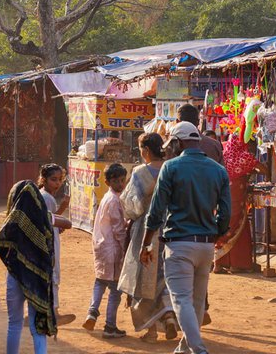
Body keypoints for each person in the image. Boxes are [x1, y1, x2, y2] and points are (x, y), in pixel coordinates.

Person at [140, 121, 230, 354]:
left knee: (181, 299)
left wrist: (146, 243)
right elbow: (225, 213)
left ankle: (198, 349)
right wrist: (217, 234)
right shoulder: (218, 170)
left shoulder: (171, 168)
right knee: (197, 301)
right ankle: (184, 347)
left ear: (178, 142)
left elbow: (156, 211)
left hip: (179, 243)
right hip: (206, 244)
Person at [0, 180, 70, 354]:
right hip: (37, 278)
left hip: (15, 276)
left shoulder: (11, 221)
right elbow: (67, 223)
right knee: (38, 327)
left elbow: (0, 243)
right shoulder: (43, 217)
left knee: (14, 324)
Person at [118, 133, 179, 343]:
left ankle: (151, 331)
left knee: (143, 280)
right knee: (166, 278)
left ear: (145, 151)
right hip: (171, 230)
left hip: (146, 232)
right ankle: (169, 315)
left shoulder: (139, 173)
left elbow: (131, 207)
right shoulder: (172, 169)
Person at [83, 163, 127, 339]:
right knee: (115, 289)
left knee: (100, 282)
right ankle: (110, 325)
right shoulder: (115, 200)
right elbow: (119, 230)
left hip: (101, 247)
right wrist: (126, 249)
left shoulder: (107, 198)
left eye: (122, 180)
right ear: (108, 181)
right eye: (116, 181)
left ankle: (92, 312)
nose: (120, 184)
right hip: (113, 249)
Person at [216, 133, 265, 273]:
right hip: (236, 196)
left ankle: (219, 263)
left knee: (223, 227)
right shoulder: (244, 157)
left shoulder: (223, 153)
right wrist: (252, 169)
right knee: (237, 228)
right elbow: (265, 171)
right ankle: (238, 264)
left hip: (221, 196)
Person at [37, 164, 76, 325]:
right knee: (52, 275)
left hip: (48, 240)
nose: (57, 183)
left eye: (60, 180)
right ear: (44, 179)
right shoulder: (47, 198)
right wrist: (64, 207)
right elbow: (52, 220)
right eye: (54, 180)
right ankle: (53, 312)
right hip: (48, 244)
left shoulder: (44, 196)